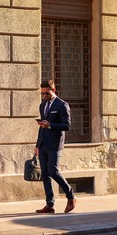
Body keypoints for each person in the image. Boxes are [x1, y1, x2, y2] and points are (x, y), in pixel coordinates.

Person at [34, 80, 76, 214]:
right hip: (43, 145)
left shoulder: (62, 105)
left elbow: (67, 126)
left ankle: (71, 196)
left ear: (53, 90)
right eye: (42, 93)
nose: (44, 95)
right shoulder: (42, 105)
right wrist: (37, 145)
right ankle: (50, 204)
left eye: (47, 93)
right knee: (45, 175)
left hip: (55, 145)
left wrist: (50, 125)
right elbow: (42, 128)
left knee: (53, 171)